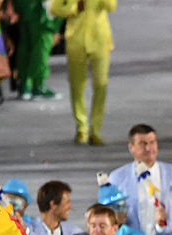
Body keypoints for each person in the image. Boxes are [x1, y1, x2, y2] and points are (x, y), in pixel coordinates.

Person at [50, 0, 114, 145]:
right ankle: (82, 127)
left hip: (99, 39)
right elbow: (55, 9)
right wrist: (73, 8)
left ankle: (95, 130)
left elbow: (111, 6)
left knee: (101, 84)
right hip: (76, 41)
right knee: (76, 85)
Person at [14, 0, 61, 99]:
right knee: (41, 47)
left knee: (26, 46)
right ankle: (37, 85)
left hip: (25, 8)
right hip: (40, 12)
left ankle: (25, 84)